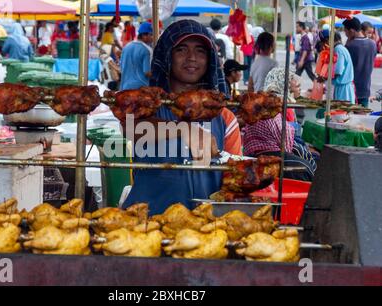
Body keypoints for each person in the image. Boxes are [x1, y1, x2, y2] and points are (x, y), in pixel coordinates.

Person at [122, 20, 242, 215]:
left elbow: (233, 179)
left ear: (210, 59)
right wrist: (183, 129)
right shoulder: (148, 108)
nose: (192, 58)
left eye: (200, 51)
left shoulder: (225, 119)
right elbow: (130, 128)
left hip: (204, 227)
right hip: (146, 223)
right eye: (181, 50)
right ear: (167, 55)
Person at [243, 67, 317, 182]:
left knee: (309, 159)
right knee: (305, 166)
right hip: (269, 151)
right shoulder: (281, 104)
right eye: (296, 85)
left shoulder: (269, 102)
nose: (299, 87)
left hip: (262, 150)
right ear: (284, 84)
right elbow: (284, 142)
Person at [344, 18, 377, 108]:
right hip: (365, 89)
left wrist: (348, 42)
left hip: (351, 90)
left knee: (348, 119)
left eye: (345, 31)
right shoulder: (373, 44)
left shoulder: (350, 46)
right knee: (361, 119)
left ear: (351, 31)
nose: (345, 34)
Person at [119, 22, 153, 90]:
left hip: (124, 88)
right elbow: (147, 72)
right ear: (144, 35)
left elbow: (121, 68)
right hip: (141, 89)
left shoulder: (126, 47)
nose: (152, 37)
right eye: (151, 35)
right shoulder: (146, 50)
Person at [332, 33, 355, 104]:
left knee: (342, 111)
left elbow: (338, 71)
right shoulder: (341, 48)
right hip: (344, 86)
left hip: (343, 88)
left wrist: (326, 77)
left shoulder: (338, 49)